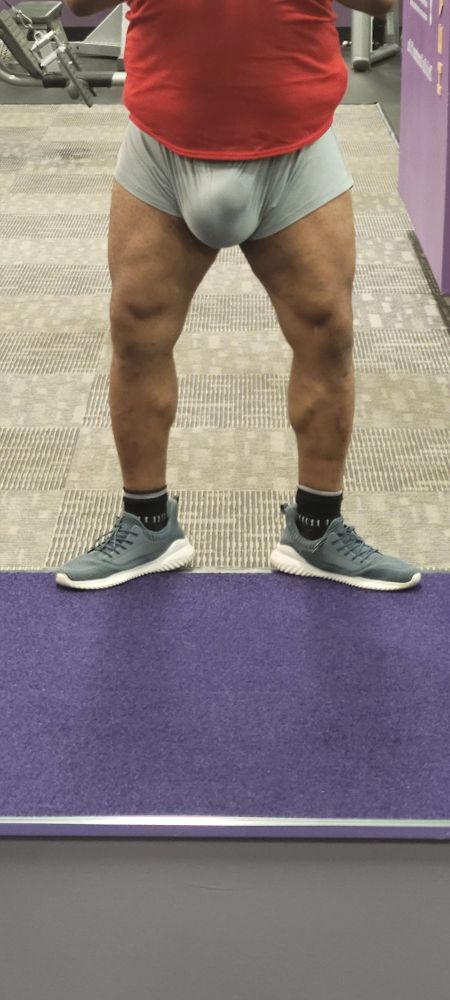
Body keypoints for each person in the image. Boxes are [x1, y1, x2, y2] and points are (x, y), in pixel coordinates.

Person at [57, 0, 421, 592]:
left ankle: (317, 528)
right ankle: (147, 524)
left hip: (295, 140)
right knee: (136, 329)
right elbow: (80, 4)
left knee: (327, 331)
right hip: (163, 141)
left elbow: (379, 5)